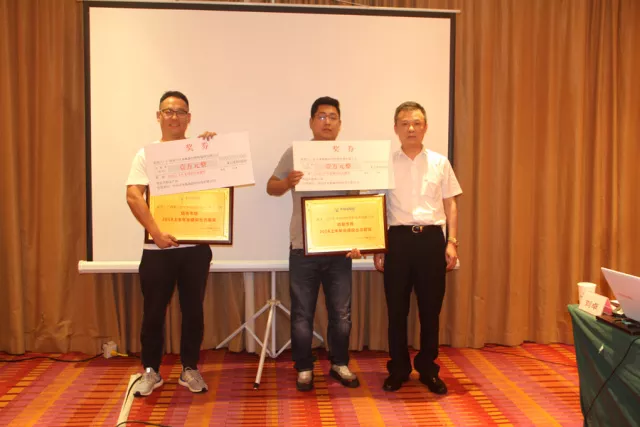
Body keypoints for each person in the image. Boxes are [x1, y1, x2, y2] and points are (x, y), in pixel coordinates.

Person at [267, 96, 362, 391]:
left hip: (339, 249)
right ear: (311, 122)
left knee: (341, 314)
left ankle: (340, 363)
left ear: (340, 124)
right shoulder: (296, 153)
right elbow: (271, 187)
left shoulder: (349, 156)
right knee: (301, 314)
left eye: (332, 117)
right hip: (303, 247)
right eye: (321, 117)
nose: (327, 122)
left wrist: (359, 239)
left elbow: (358, 204)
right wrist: (288, 182)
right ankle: (304, 367)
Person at [126, 90, 216, 397]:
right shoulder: (146, 154)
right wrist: (156, 233)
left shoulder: (201, 150)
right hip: (157, 249)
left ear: (189, 118)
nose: (174, 116)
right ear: (158, 116)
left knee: (193, 312)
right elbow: (133, 195)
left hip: (195, 248)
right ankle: (151, 371)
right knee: (153, 313)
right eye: (168, 111)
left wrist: (215, 150)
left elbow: (220, 187)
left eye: (180, 111)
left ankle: (189, 368)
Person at [374, 101, 462, 394]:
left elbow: (451, 204)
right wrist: (378, 246)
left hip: (431, 241)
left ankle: (427, 368)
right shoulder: (385, 164)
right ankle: (398, 369)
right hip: (397, 241)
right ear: (396, 128)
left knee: (430, 310)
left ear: (425, 127)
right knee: (396, 311)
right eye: (404, 123)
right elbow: (377, 207)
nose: (411, 128)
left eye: (416, 123)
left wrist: (452, 242)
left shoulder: (440, 162)